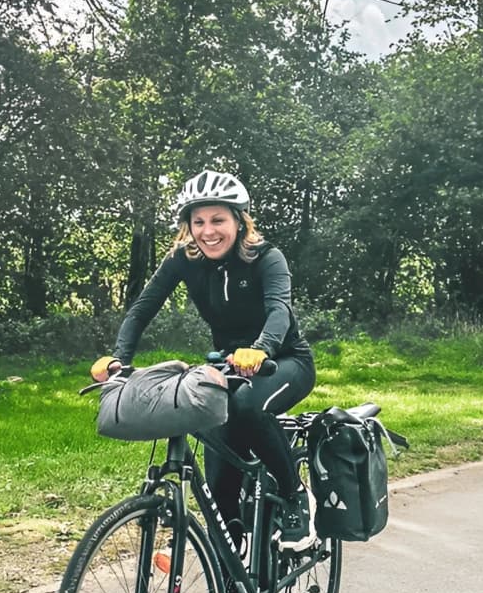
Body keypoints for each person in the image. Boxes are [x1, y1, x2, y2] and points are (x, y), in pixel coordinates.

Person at [91, 169, 317, 551]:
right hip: (228, 367)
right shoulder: (183, 260)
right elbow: (141, 310)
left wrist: (262, 347)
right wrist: (119, 360)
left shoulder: (267, 258)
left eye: (218, 220)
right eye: (199, 222)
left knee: (246, 406)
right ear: (188, 226)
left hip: (284, 361)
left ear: (239, 222)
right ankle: (231, 582)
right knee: (216, 468)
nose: (208, 231)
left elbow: (279, 309)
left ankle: (296, 495)